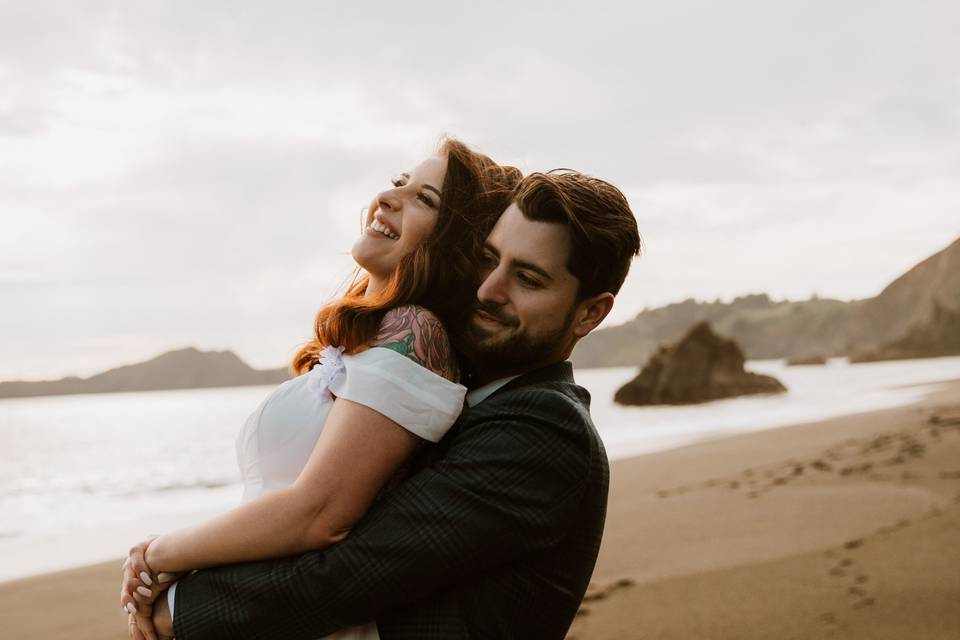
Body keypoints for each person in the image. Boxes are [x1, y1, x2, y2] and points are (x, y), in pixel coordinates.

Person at [130, 168, 641, 639]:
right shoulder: (460, 390)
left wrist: (179, 606)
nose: (489, 289)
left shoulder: (547, 427)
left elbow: (355, 569)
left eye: (527, 278)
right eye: (489, 259)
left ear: (589, 313)